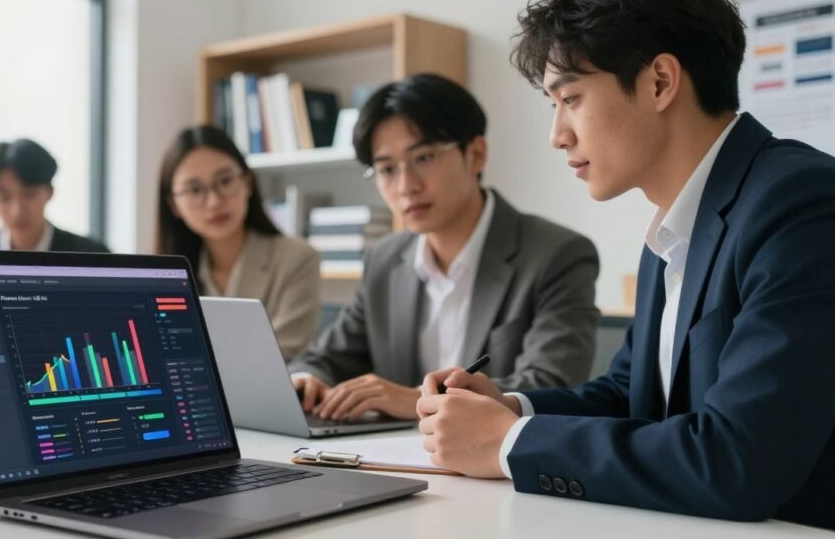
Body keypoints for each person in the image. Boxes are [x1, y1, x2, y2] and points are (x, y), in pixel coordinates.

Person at [418, 0, 835, 531]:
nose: (557, 135)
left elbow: (739, 460)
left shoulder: (802, 204)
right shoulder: (673, 225)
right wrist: (512, 410)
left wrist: (507, 443)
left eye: (570, 98)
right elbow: (633, 395)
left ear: (660, 81)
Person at [290, 73, 600, 422]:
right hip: (391, 462)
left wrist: (413, 401)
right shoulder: (384, 258)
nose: (406, 186)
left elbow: (550, 385)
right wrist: (308, 379)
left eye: (423, 158)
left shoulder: (556, 254)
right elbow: (325, 358)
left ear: (476, 153)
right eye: (387, 169)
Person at [156, 125, 320, 361]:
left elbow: (280, 357)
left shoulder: (297, 258)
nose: (213, 202)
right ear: (173, 205)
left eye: (224, 181)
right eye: (194, 190)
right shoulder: (164, 274)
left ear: (247, 183)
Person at [0, 139, 109, 253]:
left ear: (50, 192)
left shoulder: (92, 255)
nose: (17, 210)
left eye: (29, 195)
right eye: (4, 197)